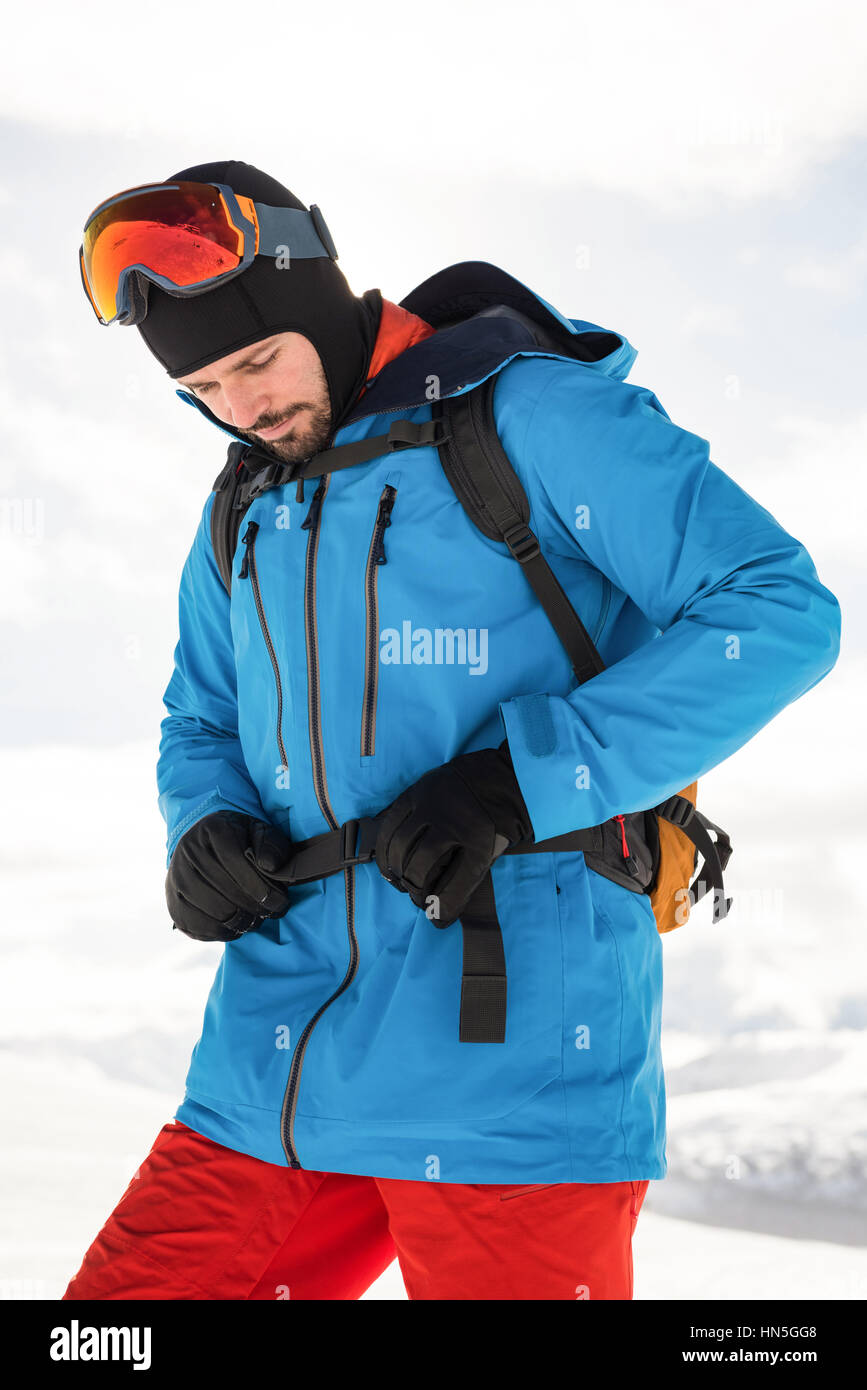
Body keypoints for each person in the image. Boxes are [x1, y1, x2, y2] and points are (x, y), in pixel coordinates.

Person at [64, 160, 840, 1301]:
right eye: (206, 388)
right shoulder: (245, 501)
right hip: (277, 1060)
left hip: (512, 1066)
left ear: (318, 300)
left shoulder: (528, 415)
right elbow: (203, 713)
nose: (242, 408)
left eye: (257, 363)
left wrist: (521, 782)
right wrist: (205, 821)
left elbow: (778, 614)